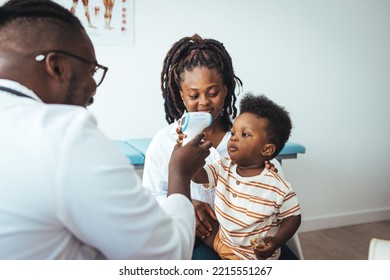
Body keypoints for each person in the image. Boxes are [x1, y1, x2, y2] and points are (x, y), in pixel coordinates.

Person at [0, 0, 211, 260]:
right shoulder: (65, 135)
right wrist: (179, 176)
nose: (93, 91)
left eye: (213, 92)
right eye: (91, 70)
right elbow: (163, 259)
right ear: (57, 67)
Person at [142, 34, 289, 259]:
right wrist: (185, 203)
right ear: (181, 95)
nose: (204, 102)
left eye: (213, 93)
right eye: (193, 95)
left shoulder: (245, 139)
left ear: (226, 89)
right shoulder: (165, 142)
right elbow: (151, 197)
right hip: (198, 239)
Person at [189, 93, 301, 260]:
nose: (233, 137)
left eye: (245, 134)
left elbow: (293, 217)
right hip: (223, 239)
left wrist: (277, 241)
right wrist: (192, 158)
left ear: (267, 150)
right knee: (194, 225)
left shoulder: (278, 187)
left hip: (251, 256)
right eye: (233, 132)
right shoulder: (224, 166)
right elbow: (199, 177)